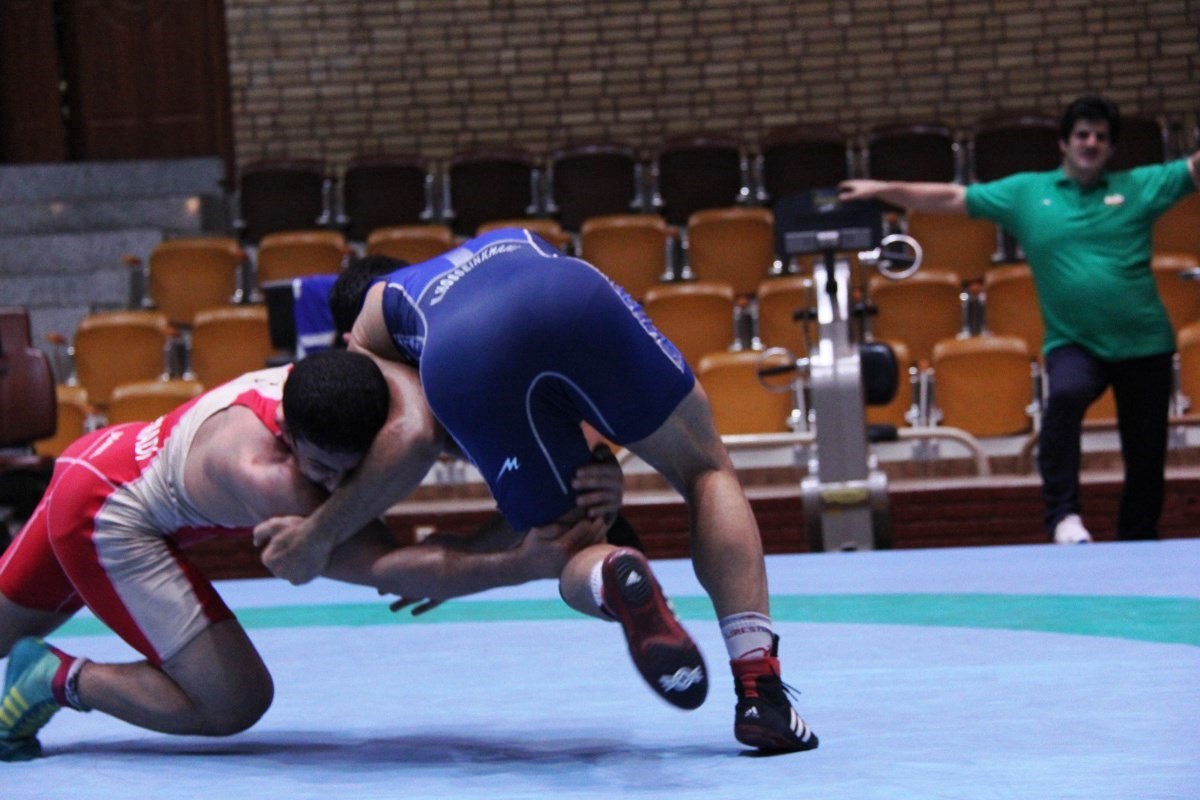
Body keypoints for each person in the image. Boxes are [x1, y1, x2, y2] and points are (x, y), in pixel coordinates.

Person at [254, 233, 820, 753]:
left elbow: (413, 438)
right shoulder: (484, 252)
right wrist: (603, 464)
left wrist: (318, 534)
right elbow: (571, 403)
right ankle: (761, 691)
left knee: (566, 543)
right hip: (573, 290)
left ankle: (607, 575)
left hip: (467, 352)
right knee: (705, 469)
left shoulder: (376, 327)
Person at [0, 350, 613, 761]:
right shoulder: (271, 480)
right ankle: (59, 679)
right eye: (321, 468)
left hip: (102, 456)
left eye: (353, 470)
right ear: (287, 436)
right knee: (234, 701)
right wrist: (519, 564)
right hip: (108, 514)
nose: (336, 487)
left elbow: (482, 436)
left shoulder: (333, 390)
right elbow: (386, 571)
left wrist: (591, 466)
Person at [840, 94, 1200, 544]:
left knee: (1147, 450)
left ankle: (1139, 536)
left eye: (1101, 137)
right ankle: (1064, 517)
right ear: (1064, 143)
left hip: (1144, 342)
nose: (1091, 143)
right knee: (1064, 399)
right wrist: (881, 189)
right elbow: (952, 197)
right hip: (1075, 341)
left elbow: (1192, 169)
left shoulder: (1139, 185)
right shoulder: (1028, 193)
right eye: (1082, 135)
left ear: (1111, 147)